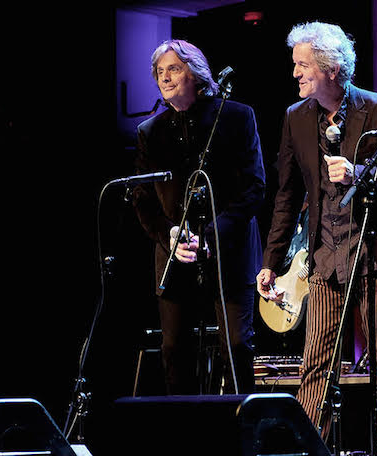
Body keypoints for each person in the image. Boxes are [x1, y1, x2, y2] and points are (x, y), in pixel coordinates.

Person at [256, 22, 377, 455]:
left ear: (331, 68)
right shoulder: (296, 118)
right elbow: (287, 194)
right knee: (317, 364)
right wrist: (271, 261)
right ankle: (307, 449)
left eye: (303, 65)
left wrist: (362, 175)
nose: (295, 73)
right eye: (295, 64)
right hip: (326, 257)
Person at [133, 39, 265, 395]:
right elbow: (142, 200)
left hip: (229, 253)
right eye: (160, 72)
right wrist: (170, 235)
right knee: (175, 352)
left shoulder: (236, 116)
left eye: (173, 68)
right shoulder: (150, 132)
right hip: (174, 256)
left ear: (197, 73)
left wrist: (210, 234)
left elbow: (254, 187)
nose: (165, 77)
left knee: (236, 348)